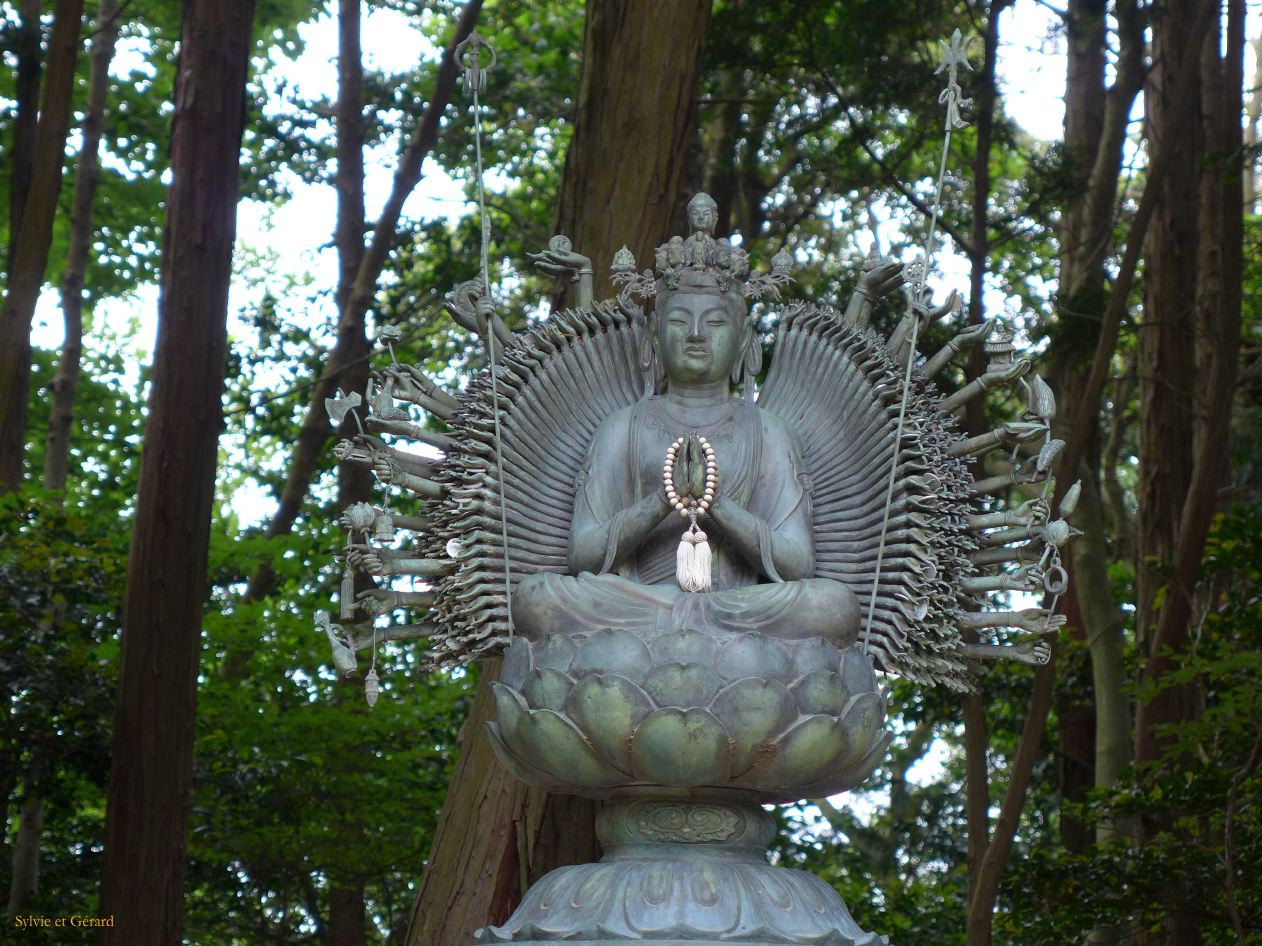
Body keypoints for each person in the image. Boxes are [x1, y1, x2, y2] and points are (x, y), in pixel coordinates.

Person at [511, 208, 861, 647]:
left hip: (738, 605)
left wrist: (717, 506)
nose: (696, 334)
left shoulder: (770, 433)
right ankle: (688, 637)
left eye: (714, 322)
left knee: (833, 606)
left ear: (742, 337)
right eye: (679, 321)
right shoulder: (621, 427)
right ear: (653, 335)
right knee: (537, 598)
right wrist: (661, 502)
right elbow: (582, 555)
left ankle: (675, 639)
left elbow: (798, 564)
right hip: (636, 601)